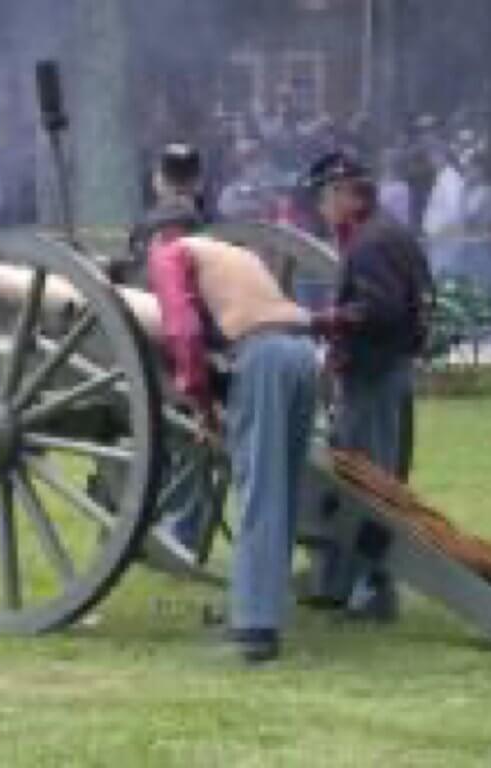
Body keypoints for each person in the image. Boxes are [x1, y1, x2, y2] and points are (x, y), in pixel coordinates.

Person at [144, 142, 321, 663]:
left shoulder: (169, 253)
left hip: (262, 357)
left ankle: (254, 630)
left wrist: (200, 405)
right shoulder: (234, 252)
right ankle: (263, 609)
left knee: (259, 488)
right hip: (299, 353)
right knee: (279, 491)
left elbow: (182, 330)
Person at [301, 150, 434, 620]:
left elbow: (382, 309)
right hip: (387, 368)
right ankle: (349, 583)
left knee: (368, 484)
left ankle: (374, 591)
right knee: (375, 478)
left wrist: (326, 320)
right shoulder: (388, 232)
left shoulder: (370, 243)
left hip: (373, 374)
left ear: (344, 194)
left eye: (324, 197)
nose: (322, 208)